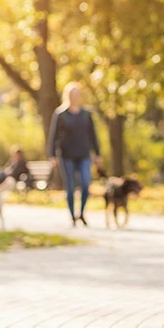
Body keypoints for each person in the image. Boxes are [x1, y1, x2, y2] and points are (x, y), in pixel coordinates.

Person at [48, 82, 102, 227]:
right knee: (70, 186)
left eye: (77, 94)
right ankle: (72, 215)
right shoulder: (61, 114)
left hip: (84, 154)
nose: (75, 96)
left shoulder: (86, 114)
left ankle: (82, 212)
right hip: (67, 155)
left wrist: (97, 153)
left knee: (85, 184)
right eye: (73, 94)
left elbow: (93, 135)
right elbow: (53, 136)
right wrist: (52, 155)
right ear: (68, 96)